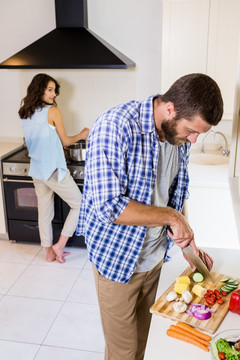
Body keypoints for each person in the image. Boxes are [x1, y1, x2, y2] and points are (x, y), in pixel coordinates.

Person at [76, 73, 223, 360]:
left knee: (143, 345)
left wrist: (187, 243)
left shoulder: (176, 137)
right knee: (124, 353)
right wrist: (171, 217)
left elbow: (176, 195)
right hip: (118, 263)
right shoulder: (115, 126)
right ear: (170, 110)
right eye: (192, 130)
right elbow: (109, 206)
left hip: (154, 260)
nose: (193, 139)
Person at [19, 73, 89, 263]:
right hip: (53, 169)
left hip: (37, 168)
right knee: (80, 205)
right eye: (49, 89)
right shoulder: (52, 111)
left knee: (44, 211)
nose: (53, 94)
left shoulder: (25, 111)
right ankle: (60, 244)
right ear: (39, 89)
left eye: (54, 90)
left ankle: (48, 252)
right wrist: (82, 134)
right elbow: (65, 141)